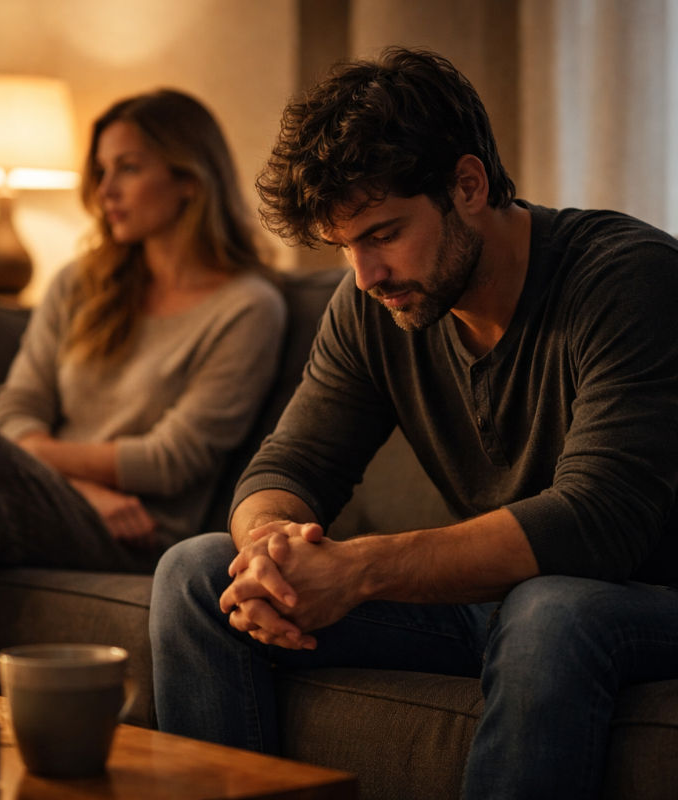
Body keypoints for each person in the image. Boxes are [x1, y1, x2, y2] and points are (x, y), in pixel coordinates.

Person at [148, 49, 678, 799]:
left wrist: (358, 569)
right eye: (345, 248)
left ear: (468, 185)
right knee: (199, 576)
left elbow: (598, 524)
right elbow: (288, 468)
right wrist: (269, 554)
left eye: (383, 235)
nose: (365, 276)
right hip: (507, 606)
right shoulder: (375, 308)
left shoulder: (628, 279)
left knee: (553, 607)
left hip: (642, 598)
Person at [0, 88, 287, 677]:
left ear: (189, 179)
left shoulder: (247, 308)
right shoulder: (81, 283)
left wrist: (42, 459)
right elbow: (16, 406)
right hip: (84, 503)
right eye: (101, 171)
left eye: (127, 168)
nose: (105, 192)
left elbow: (172, 459)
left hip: (140, 533)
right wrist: (77, 484)